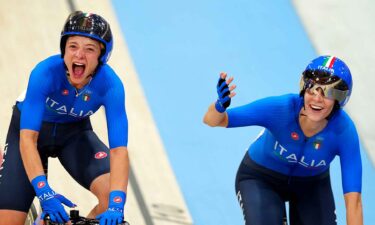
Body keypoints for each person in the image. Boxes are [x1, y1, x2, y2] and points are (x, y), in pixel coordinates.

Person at [0, 11, 129, 225]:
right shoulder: (44, 72)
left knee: (110, 194)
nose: (79, 55)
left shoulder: (111, 85)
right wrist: (44, 193)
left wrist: (116, 204)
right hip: (32, 134)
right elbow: (28, 139)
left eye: (89, 49)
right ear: (64, 49)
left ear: (101, 56)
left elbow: (119, 151)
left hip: (74, 134)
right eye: (73, 46)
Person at [203, 56, 363, 225]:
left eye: (328, 92)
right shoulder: (280, 109)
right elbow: (212, 120)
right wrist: (219, 106)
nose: (317, 98)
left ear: (340, 99)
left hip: (311, 187)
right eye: (312, 89)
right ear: (303, 89)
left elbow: (354, 203)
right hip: (261, 178)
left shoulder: (345, 132)